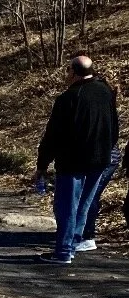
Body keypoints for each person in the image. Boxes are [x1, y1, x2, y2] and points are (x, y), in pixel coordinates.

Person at [33, 53, 119, 265]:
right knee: (84, 204)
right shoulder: (105, 92)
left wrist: (42, 165)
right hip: (100, 159)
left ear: (74, 72)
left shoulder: (68, 99)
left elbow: (52, 136)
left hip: (73, 161)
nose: (66, 75)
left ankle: (63, 252)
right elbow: (114, 127)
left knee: (67, 207)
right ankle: (72, 245)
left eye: (68, 70)